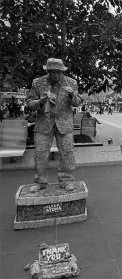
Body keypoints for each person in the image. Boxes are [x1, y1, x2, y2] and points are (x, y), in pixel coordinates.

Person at [26, 58, 83, 192]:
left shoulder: (71, 82)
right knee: (40, 153)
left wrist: (72, 95)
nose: (55, 75)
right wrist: (40, 101)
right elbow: (29, 102)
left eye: (58, 72)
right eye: (52, 72)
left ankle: (67, 180)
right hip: (43, 123)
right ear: (48, 70)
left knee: (67, 153)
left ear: (62, 70)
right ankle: (40, 181)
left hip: (64, 124)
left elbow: (78, 102)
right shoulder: (38, 83)